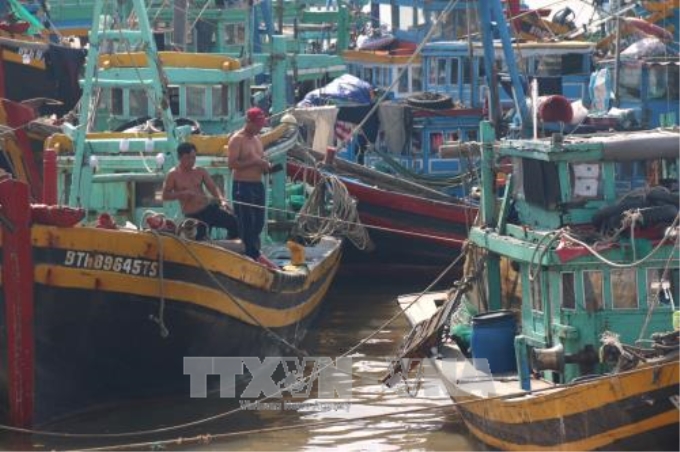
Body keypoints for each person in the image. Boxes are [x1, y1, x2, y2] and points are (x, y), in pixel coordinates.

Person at [227, 107, 278, 269]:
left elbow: (260, 160)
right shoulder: (237, 139)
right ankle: (252, 256)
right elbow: (232, 164)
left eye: (261, 124)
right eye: (257, 124)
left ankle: (254, 253)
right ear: (248, 122)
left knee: (258, 224)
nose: (260, 127)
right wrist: (255, 162)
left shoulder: (257, 139)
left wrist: (266, 166)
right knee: (247, 223)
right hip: (243, 185)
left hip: (257, 185)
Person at [162, 142, 238, 240]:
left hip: (208, 210)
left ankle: (230, 243)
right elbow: (165, 195)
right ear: (180, 158)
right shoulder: (173, 175)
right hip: (193, 216)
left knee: (234, 222)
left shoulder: (200, 171)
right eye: (188, 158)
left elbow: (213, 187)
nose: (191, 161)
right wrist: (181, 194)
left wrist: (222, 200)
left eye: (193, 158)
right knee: (200, 241)